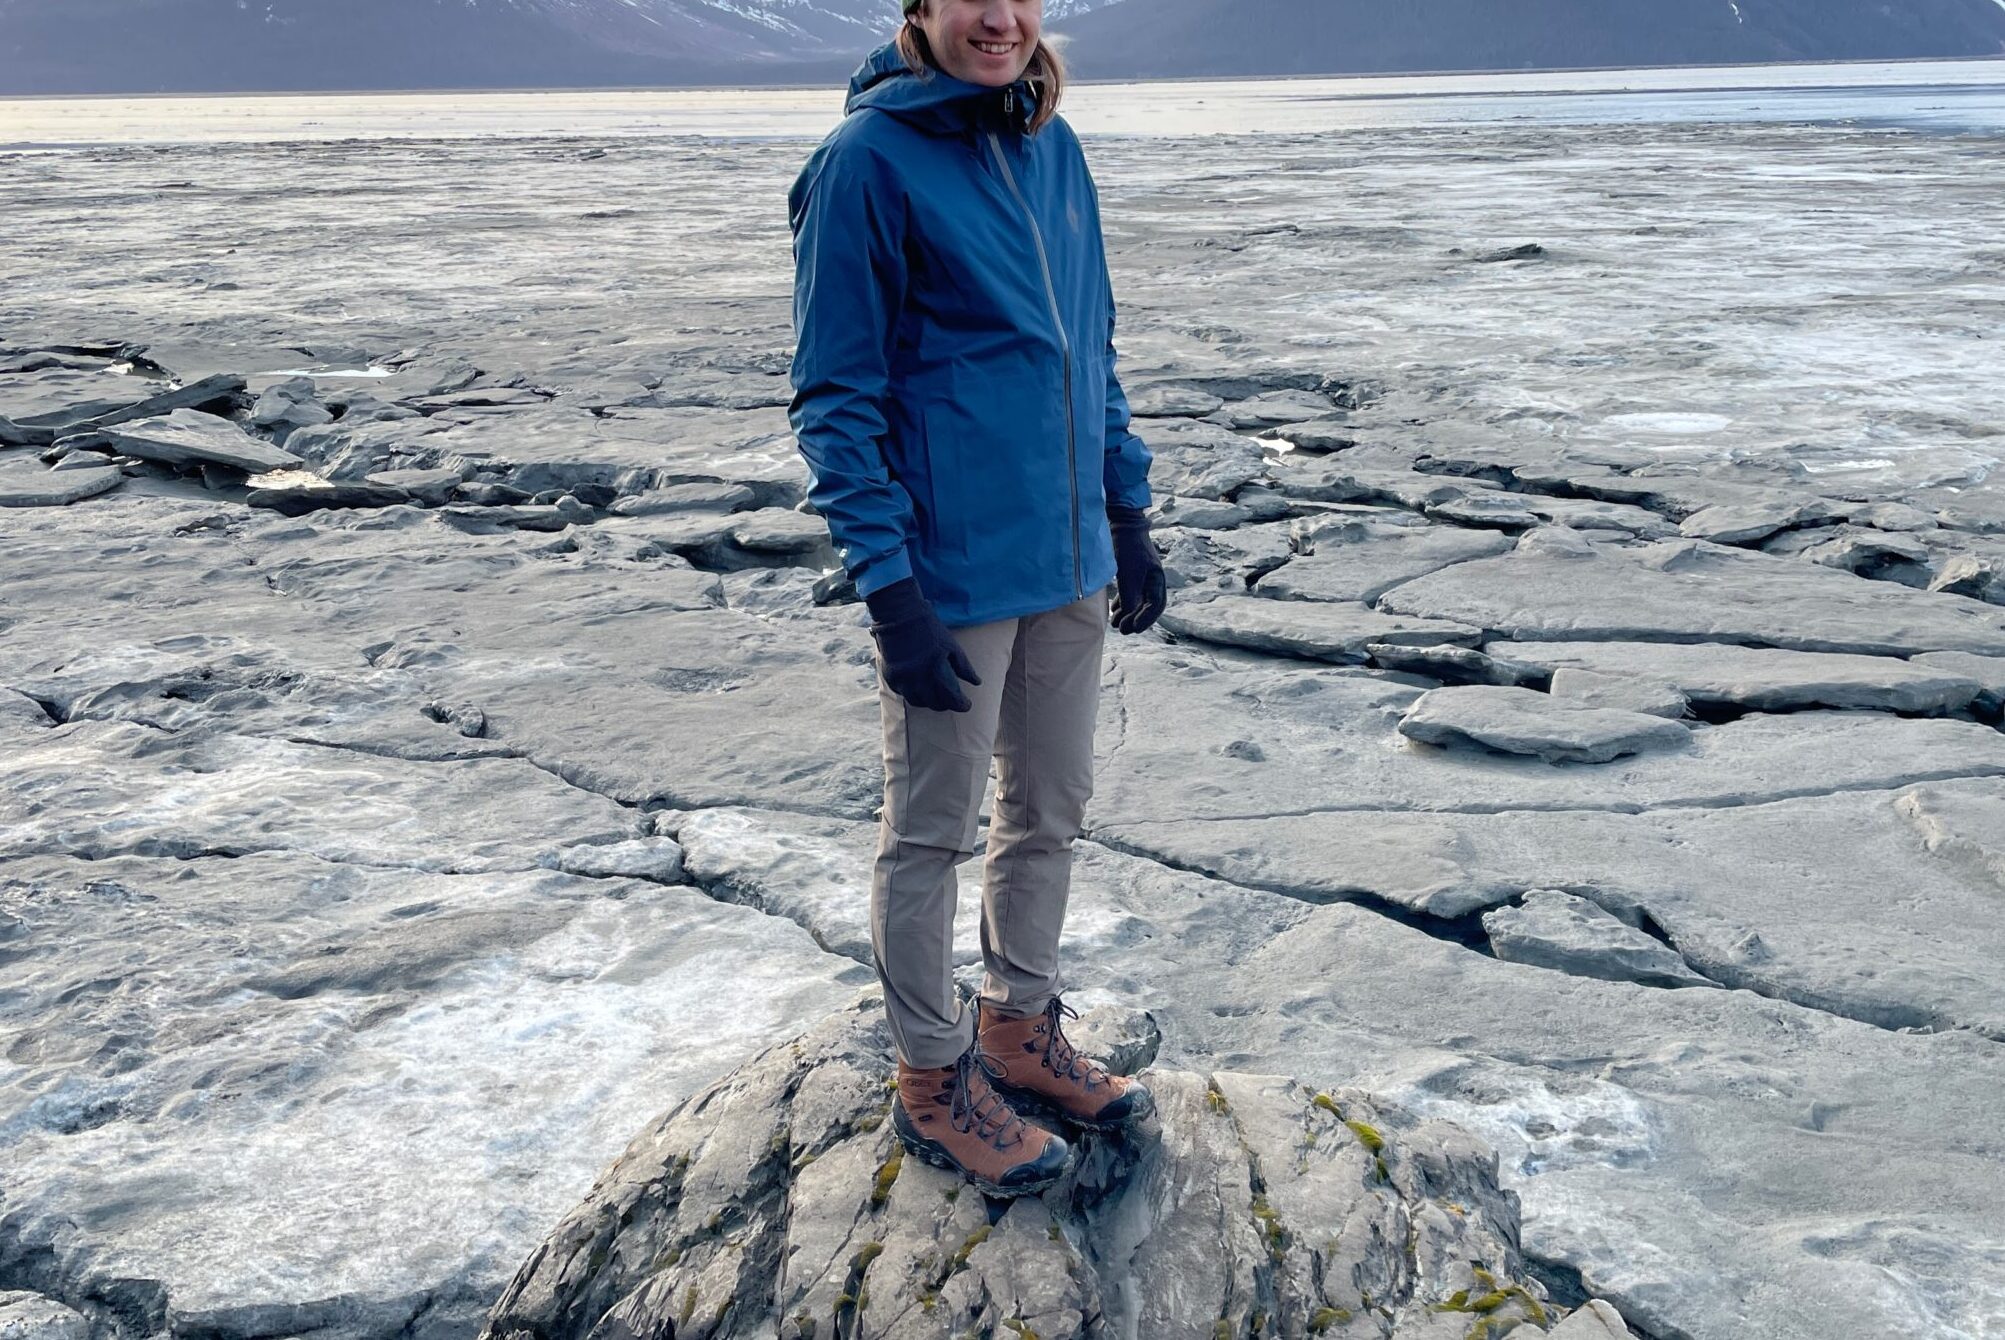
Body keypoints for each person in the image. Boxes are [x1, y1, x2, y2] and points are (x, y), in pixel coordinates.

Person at [787, 0, 1169, 1198]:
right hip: (951, 571)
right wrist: (888, 586)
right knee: (930, 834)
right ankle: (933, 1074)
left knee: (1050, 808)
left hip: (1066, 559)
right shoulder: (863, 165)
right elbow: (834, 395)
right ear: (917, 11)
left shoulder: (1052, 143)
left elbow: (1088, 348)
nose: (999, 18)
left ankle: (1019, 1024)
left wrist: (1126, 506)